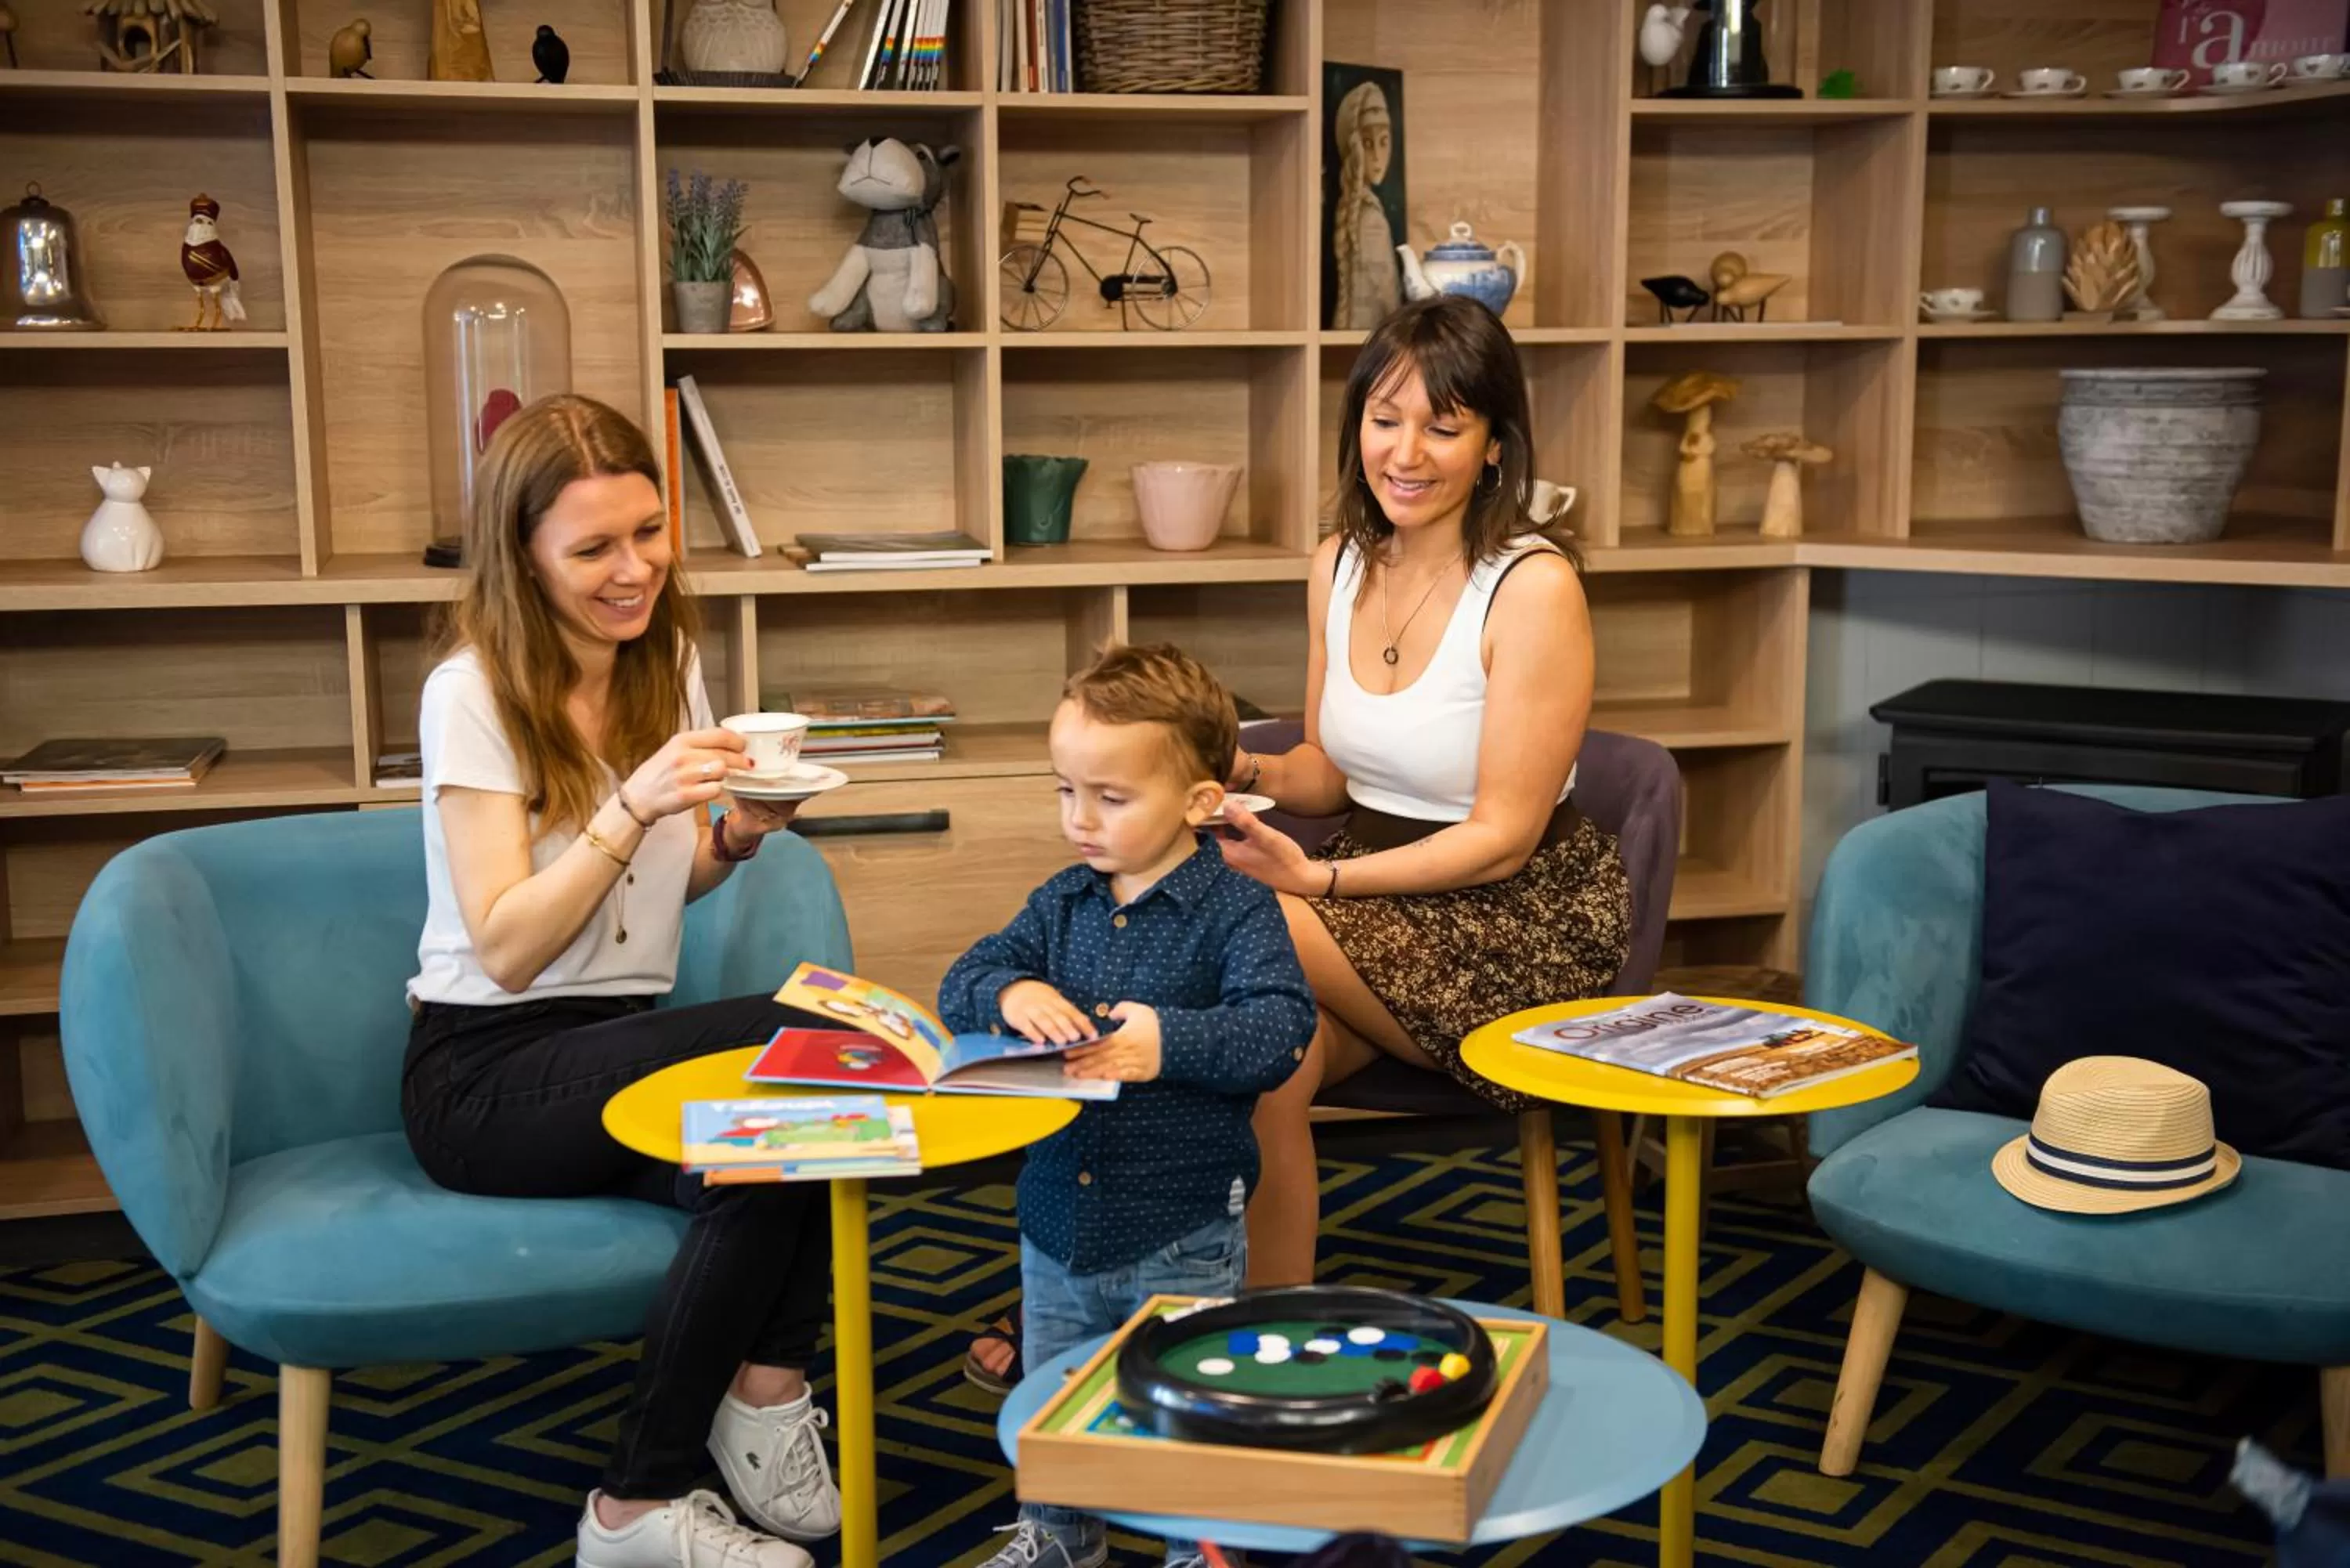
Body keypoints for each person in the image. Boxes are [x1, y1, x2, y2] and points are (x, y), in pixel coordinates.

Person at [400, 393, 844, 1568]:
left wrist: (733, 836)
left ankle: (677, 1469)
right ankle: (718, 1435)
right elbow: (507, 944)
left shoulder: (670, 662)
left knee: (768, 1140)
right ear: (524, 554)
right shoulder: (473, 690)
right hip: (484, 1074)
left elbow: (651, 901)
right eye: (592, 546)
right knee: (797, 1024)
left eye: (647, 532)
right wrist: (633, 801)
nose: (633, 569)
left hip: (616, 1040)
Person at [1217, 294, 1634, 1287]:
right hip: (1373, 893)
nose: (1407, 452)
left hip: (1515, 914)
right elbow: (1328, 767)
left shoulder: (1532, 586)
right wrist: (1237, 770)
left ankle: (1095, 1273)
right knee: (1259, 1054)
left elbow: (1500, 838)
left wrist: (1314, 885)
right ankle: (1262, 1320)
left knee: (1222, 912)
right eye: (1385, 418)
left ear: (1495, 445)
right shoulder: (1339, 563)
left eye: (1444, 426)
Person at [938, 644, 1318, 1568]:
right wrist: (1009, 995)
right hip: (1055, 1218)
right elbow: (964, 979)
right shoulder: (1061, 901)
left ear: (1197, 803)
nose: (1080, 819)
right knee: (1059, 1404)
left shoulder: (1236, 910)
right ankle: (1061, 1539)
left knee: (1183, 1403)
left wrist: (1171, 1043)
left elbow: (1282, 1030)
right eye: (1066, 791)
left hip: (1180, 1221)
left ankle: (1201, 1553)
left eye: (1110, 798)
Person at [1331, 78, 1402, 331]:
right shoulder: (1371, 218)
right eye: (1368, 144)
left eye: (1384, 142)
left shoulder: (1362, 211)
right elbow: (1387, 295)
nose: (1377, 159)